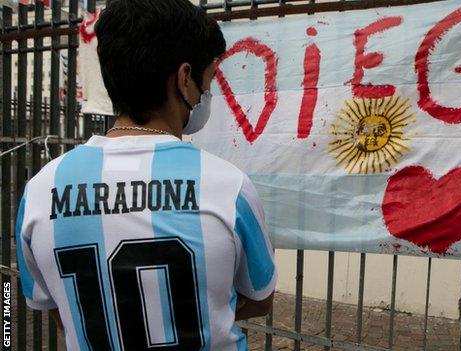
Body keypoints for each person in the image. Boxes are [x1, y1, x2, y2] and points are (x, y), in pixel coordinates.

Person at [15, 0, 276, 349]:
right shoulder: (228, 186)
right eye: (208, 81)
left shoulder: (40, 191)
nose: (207, 94)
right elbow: (260, 298)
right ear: (185, 79)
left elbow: (60, 311)